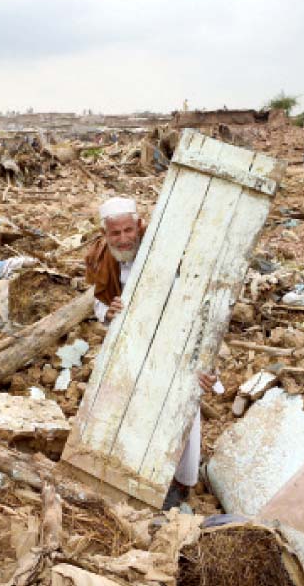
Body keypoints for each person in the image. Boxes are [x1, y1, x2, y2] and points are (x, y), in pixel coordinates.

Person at [85, 196, 220, 509]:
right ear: (105, 234)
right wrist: (109, 312)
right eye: (115, 233)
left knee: (182, 405)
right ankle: (137, 473)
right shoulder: (101, 257)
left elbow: (197, 302)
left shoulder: (164, 250)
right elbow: (97, 302)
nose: (122, 239)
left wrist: (201, 357)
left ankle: (182, 482)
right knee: (133, 407)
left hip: (174, 342)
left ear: (139, 226)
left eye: (128, 231)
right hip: (132, 347)